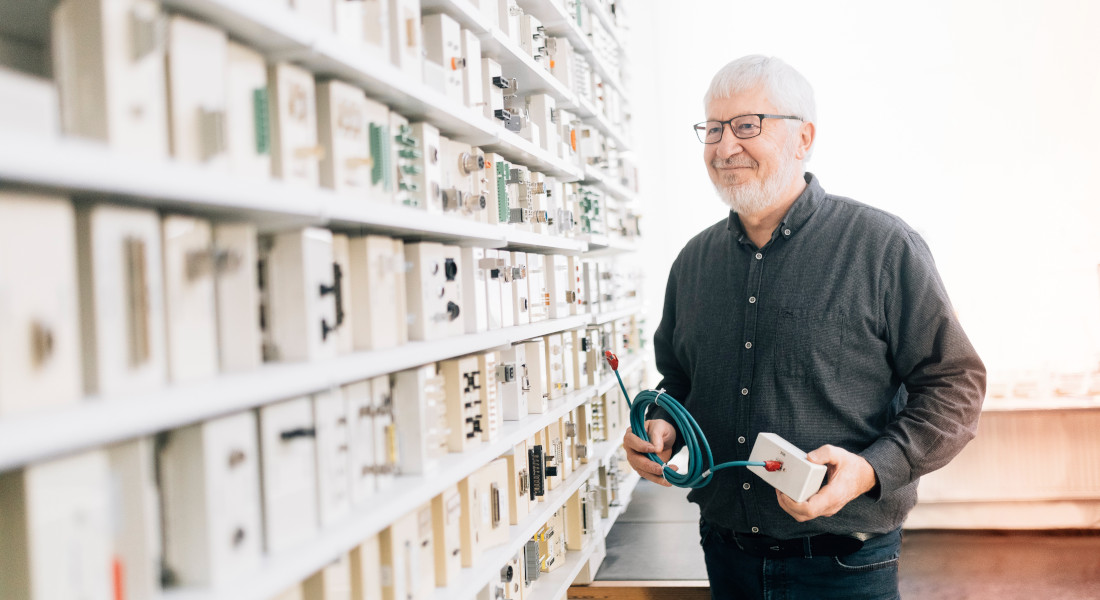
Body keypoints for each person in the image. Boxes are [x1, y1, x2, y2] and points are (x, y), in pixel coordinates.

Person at [623, 55, 986, 600]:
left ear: (804, 137)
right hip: (725, 553)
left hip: (843, 564)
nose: (725, 147)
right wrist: (665, 427)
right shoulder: (692, 263)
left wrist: (868, 470)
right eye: (714, 129)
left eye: (748, 126)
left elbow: (956, 386)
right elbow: (681, 383)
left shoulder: (883, 248)